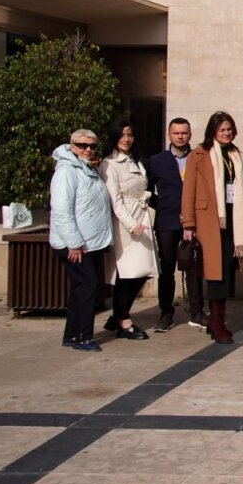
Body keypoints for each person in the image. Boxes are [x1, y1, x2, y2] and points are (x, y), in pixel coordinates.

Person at [180, 111, 243, 344]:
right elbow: (188, 190)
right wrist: (188, 224)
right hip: (209, 219)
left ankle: (216, 318)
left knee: (227, 268)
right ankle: (216, 321)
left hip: (232, 218)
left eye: (229, 129)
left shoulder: (235, 154)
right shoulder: (199, 154)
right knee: (214, 271)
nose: (226, 133)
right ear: (213, 132)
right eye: (222, 130)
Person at [49, 129, 113, 351]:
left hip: (91, 241)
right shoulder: (66, 171)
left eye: (92, 146)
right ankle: (83, 336)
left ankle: (73, 334)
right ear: (72, 146)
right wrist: (74, 243)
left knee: (80, 288)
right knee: (88, 285)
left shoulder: (87, 168)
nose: (88, 149)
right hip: (75, 244)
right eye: (82, 145)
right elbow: (61, 211)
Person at [99, 118, 158, 340]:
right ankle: (124, 321)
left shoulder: (136, 160)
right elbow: (115, 201)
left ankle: (118, 315)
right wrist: (131, 225)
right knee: (128, 274)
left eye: (130, 134)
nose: (126, 139)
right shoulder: (110, 164)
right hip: (127, 223)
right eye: (122, 135)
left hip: (141, 217)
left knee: (143, 272)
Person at [146, 118, 202, 331]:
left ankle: (197, 311)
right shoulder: (156, 161)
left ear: (190, 134)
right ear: (169, 135)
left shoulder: (198, 158)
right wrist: (162, 206)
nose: (180, 136)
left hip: (193, 222)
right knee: (167, 269)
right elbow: (147, 190)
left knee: (193, 267)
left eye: (184, 133)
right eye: (176, 133)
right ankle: (166, 312)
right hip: (167, 221)